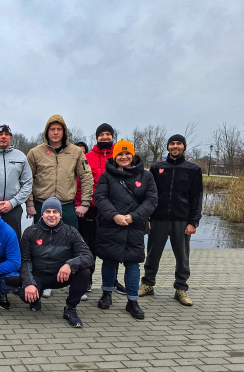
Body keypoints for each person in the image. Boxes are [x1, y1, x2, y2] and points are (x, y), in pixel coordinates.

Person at [94, 141, 157, 320]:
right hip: (111, 225)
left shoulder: (146, 176)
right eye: (120, 154)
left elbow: (152, 200)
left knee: (133, 264)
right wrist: (114, 215)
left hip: (134, 226)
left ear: (133, 155)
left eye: (127, 154)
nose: (124, 157)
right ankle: (106, 293)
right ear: (114, 157)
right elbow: (100, 197)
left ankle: (132, 301)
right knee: (109, 260)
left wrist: (133, 216)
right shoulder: (107, 176)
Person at [141, 134, 203, 306]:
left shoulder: (193, 169)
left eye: (178, 144)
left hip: (182, 220)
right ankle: (147, 284)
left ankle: (181, 289)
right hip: (158, 218)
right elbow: (149, 194)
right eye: (172, 144)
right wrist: (147, 217)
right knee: (152, 254)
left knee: (182, 257)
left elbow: (196, 197)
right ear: (168, 147)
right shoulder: (157, 168)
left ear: (184, 147)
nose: (175, 146)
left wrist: (193, 222)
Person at [17, 198, 93, 327]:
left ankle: (70, 309)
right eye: (48, 211)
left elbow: (88, 256)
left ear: (60, 215)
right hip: (38, 275)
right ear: (42, 214)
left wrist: (70, 264)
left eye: (55, 212)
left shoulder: (71, 231)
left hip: (60, 276)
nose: (51, 215)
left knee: (84, 271)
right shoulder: (30, 232)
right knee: (25, 296)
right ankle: (36, 297)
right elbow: (25, 260)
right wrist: (29, 283)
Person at [72, 124, 126, 296]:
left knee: (112, 247)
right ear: (97, 137)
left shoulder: (120, 157)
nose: (105, 137)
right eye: (101, 134)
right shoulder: (86, 157)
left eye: (108, 134)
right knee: (88, 246)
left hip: (113, 210)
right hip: (91, 209)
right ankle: (87, 280)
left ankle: (112, 281)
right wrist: (80, 203)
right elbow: (79, 182)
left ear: (112, 136)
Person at [26, 115, 94, 229]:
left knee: (70, 238)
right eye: (52, 129)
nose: (56, 132)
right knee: (40, 239)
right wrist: (29, 204)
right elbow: (27, 179)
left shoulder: (76, 152)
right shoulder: (35, 153)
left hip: (66, 206)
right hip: (41, 205)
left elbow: (86, 176)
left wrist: (85, 203)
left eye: (59, 129)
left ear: (64, 131)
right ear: (47, 131)